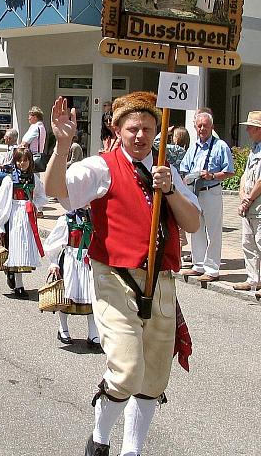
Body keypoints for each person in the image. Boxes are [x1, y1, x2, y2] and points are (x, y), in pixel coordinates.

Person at [43, 93, 200, 456]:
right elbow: (55, 190)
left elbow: (192, 221)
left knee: (154, 376)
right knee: (127, 370)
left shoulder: (166, 171)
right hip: (116, 278)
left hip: (160, 281)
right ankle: (99, 439)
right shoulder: (102, 167)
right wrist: (62, 144)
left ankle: (133, 450)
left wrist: (171, 189)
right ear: (117, 129)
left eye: (148, 128)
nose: (141, 135)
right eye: (133, 128)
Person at [179, 111, 234, 282]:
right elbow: (184, 168)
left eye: (205, 125)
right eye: (199, 126)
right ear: (195, 127)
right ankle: (198, 265)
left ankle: (212, 269)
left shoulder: (220, 146)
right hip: (195, 192)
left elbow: (229, 171)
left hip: (212, 191)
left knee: (213, 230)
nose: (202, 128)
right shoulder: (194, 147)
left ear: (212, 127)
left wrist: (212, 176)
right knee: (196, 228)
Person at [0, 147, 48, 299]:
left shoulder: (34, 178)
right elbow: (2, 202)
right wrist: (0, 224)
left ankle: (14, 274)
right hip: (13, 214)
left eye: (25, 160)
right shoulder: (9, 179)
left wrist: (35, 205)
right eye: (19, 160)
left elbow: (41, 195)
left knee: (24, 247)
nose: (22, 163)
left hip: (28, 216)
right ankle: (19, 284)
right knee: (15, 246)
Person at [44, 208, 100, 350]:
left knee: (92, 295)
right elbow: (53, 242)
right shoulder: (66, 220)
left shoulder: (95, 217)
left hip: (89, 260)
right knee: (67, 296)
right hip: (70, 260)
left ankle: (93, 334)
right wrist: (54, 262)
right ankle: (63, 328)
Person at [235, 111, 261, 294]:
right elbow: (245, 175)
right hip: (249, 205)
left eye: (251, 127)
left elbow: (260, 181)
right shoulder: (254, 149)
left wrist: (249, 199)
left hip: (258, 205)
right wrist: (242, 194)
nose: (248, 130)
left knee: (260, 242)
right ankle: (253, 280)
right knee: (248, 242)